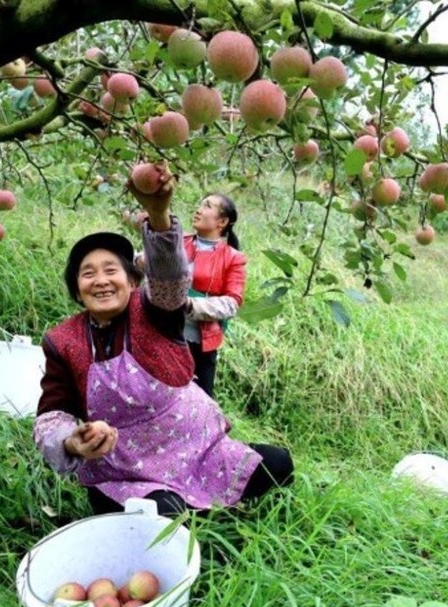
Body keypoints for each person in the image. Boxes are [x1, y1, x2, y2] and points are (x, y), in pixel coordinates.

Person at [32, 166, 292, 516]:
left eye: (112, 270)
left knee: (278, 463)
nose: (101, 281)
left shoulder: (153, 308)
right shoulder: (63, 341)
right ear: (77, 290)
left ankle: (202, 498)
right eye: (88, 273)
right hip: (128, 469)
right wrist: (70, 441)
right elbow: (53, 413)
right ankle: (185, 506)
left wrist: (157, 215)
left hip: (196, 449)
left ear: (132, 281)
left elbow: (170, 278)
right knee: (164, 512)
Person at [181, 193, 245, 398]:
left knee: (200, 402)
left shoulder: (233, 258)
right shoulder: (178, 242)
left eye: (207, 206)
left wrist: (191, 305)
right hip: (165, 333)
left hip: (200, 343)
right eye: (199, 204)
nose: (199, 209)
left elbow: (232, 303)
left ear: (223, 221)